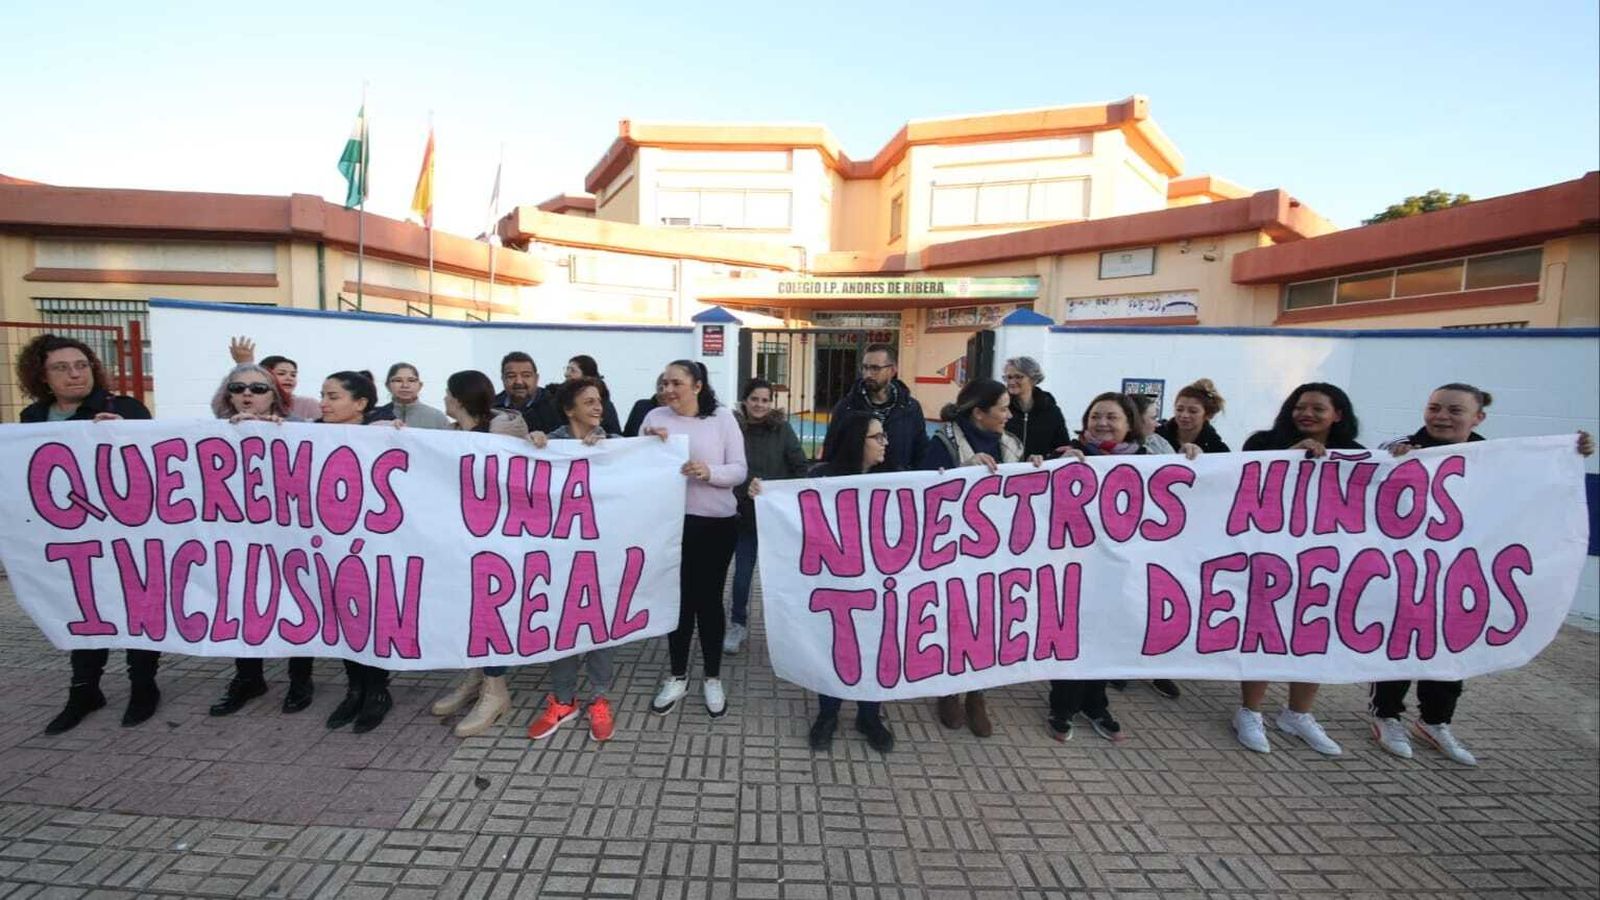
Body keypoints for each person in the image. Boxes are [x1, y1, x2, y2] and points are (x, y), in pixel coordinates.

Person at [1369, 384, 1596, 766]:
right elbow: (1363, 488)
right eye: (1434, 408)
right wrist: (1389, 461)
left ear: (1478, 418)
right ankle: (1386, 715)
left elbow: (1532, 490)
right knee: (1403, 645)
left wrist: (1572, 452)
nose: (1441, 416)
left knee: (1451, 648)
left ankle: (1435, 721)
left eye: (1454, 410)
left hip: (1461, 574)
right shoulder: (1401, 448)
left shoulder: (1494, 459)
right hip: (1409, 573)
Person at [17, 334, 163, 734]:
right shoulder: (33, 419)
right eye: (61, 368)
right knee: (83, 609)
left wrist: (128, 434)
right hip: (69, 536)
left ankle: (143, 685)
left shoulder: (125, 408)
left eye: (81, 365)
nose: (74, 374)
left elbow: (152, 465)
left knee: (136, 606)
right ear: (43, 377)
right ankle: (84, 689)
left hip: (125, 533)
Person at [748, 411, 896, 754]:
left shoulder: (893, 477)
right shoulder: (823, 479)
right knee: (834, 646)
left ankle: (869, 715)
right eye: (877, 437)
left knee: (874, 648)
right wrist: (763, 492)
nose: (884, 443)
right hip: (835, 586)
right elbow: (790, 504)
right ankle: (828, 713)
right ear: (858, 441)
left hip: (876, 586)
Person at [1052, 391, 1192, 742]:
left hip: (1123, 567)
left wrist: (1196, 460)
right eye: (1095, 416)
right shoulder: (1067, 454)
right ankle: (1063, 705)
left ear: (1129, 424)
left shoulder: (1149, 461)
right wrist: (1055, 466)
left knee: (1108, 635)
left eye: (1111, 417)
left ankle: (1095, 703)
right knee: (1074, 635)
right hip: (1076, 565)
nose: (1102, 423)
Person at [1232, 382, 1363, 756]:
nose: (1306, 414)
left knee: (1314, 633)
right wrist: (1288, 458)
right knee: (1263, 631)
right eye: (1300, 407)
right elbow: (1244, 483)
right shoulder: (1263, 443)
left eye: (1317, 409)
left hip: (1325, 561)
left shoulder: (1355, 455)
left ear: (1337, 414)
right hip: (1270, 556)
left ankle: (1298, 714)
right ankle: (1250, 710)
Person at [924, 378, 1045, 738]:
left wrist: (1038, 467)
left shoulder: (1011, 445)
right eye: (1003, 408)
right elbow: (926, 490)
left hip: (999, 553)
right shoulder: (943, 443)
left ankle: (978, 692)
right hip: (953, 551)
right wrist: (964, 472)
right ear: (979, 412)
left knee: (990, 621)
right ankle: (948, 689)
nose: (1009, 414)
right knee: (956, 618)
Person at [204, 364, 316, 717]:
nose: (247, 394)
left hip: (288, 538)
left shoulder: (299, 430)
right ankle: (248, 677)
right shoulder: (209, 433)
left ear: (275, 396)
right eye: (238, 387)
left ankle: (301, 679)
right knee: (242, 603)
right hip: (237, 540)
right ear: (227, 394)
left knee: (296, 603)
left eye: (258, 388)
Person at [642, 360, 747, 718]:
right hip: (671, 525)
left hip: (716, 525)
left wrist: (709, 472)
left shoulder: (721, 418)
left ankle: (713, 677)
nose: (668, 389)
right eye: (664, 382)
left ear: (697, 385)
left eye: (677, 383)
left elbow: (739, 470)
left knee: (709, 602)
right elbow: (632, 466)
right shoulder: (654, 418)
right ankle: (677, 675)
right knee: (679, 603)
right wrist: (647, 447)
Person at [429, 370, 531, 738]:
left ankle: (496, 689)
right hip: (462, 539)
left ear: (458, 398)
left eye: (446, 394)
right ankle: (477, 675)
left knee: (491, 610)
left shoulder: (502, 426)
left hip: (499, 537)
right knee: (470, 610)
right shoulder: (451, 435)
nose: (443, 400)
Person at [523, 377, 623, 742]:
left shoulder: (613, 444)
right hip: (560, 555)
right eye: (589, 402)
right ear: (569, 409)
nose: (598, 407)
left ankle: (599, 698)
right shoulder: (549, 443)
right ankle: (563, 699)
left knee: (599, 626)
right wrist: (533, 448)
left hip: (601, 553)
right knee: (561, 625)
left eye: (600, 400)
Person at [317, 371, 398, 734]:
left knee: (371, 614)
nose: (324, 403)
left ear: (361, 403)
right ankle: (355, 688)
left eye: (333, 397)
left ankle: (377, 689)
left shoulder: (384, 432)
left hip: (374, 545)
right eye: (323, 395)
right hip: (329, 543)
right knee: (341, 613)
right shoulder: (309, 432)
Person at [726, 378, 809, 655]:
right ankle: (737, 624)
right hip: (745, 517)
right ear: (745, 401)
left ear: (771, 403)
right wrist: (745, 485)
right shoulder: (734, 429)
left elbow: (799, 466)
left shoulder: (783, 430)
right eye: (754, 399)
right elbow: (728, 467)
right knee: (742, 577)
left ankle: (791, 629)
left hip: (777, 519)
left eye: (765, 400)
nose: (759, 405)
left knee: (785, 578)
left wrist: (777, 491)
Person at [824, 343, 926, 470]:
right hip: (858, 485)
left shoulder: (911, 408)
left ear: (893, 370)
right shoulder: (846, 407)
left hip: (897, 486)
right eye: (865, 368)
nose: (867, 374)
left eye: (875, 368)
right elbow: (830, 452)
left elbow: (921, 452)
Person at [227, 336, 321, 420]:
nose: (289, 378)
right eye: (281, 373)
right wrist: (244, 365)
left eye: (293, 375)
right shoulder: (245, 400)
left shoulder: (308, 404)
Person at [1002, 356, 1072, 460]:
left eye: (1018, 377)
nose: (1011, 382)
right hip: (1008, 472)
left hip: (1040, 471)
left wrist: (1044, 459)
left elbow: (1062, 448)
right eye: (1009, 377)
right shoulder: (1001, 409)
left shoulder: (1052, 411)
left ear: (1033, 379)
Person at [1155, 379, 1230, 453]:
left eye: (1193, 411)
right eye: (1179, 409)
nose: (1184, 415)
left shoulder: (1217, 449)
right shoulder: (1155, 436)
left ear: (1208, 415)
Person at [494, 351, 561, 433]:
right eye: (511, 376)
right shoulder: (491, 407)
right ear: (503, 379)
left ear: (536, 378)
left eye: (526, 375)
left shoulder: (555, 407)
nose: (519, 382)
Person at [369, 363, 451, 428]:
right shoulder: (375, 415)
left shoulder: (437, 418)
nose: (405, 385)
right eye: (398, 380)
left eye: (411, 380)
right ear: (387, 385)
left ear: (420, 385)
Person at [561, 354, 623, 435]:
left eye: (573, 370)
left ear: (587, 375)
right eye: (567, 369)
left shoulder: (606, 406)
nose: (566, 374)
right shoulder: (556, 399)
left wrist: (603, 438)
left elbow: (617, 438)